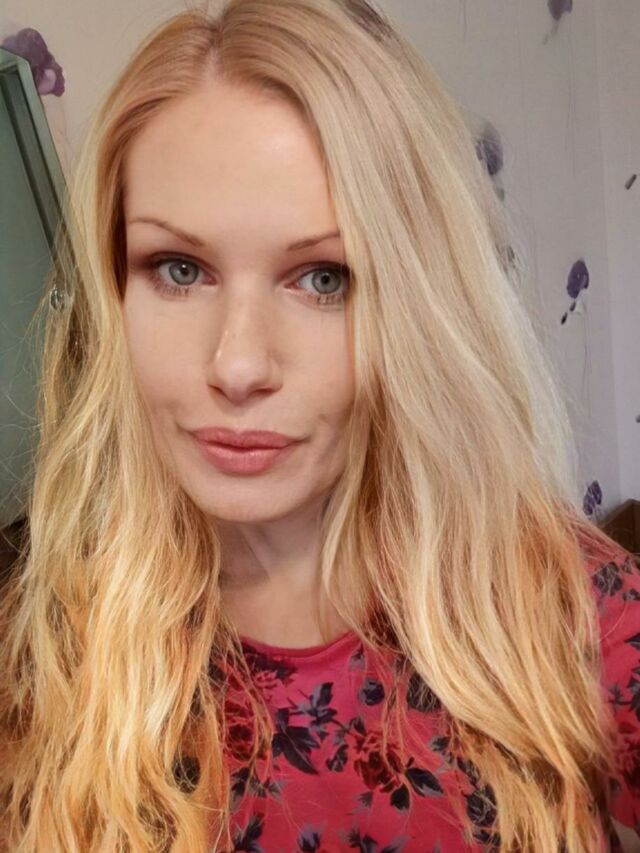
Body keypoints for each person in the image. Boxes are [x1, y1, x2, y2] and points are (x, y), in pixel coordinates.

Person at [0, 1, 638, 850]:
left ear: (418, 307)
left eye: (323, 278)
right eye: (179, 269)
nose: (237, 366)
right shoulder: (46, 659)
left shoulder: (564, 607)